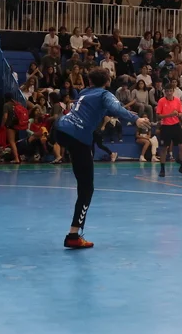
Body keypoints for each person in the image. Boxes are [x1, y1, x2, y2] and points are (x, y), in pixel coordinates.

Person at [53, 68, 149, 249]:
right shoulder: (105, 94)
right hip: (78, 136)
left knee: (81, 166)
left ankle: (74, 234)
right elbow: (116, 108)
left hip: (60, 128)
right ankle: (73, 235)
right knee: (86, 189)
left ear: (89, 81)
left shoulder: (84, 92)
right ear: (107, 82)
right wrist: (135, 119)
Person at [155, 84, 182, 178]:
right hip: (165, 126)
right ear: (165, 92)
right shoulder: (161, 101)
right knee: (164, 148)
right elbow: (158, 115)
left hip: (176, 125)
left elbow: (181, 113)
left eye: (170, 91)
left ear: (173, 91)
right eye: (167, 91)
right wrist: (169, 115)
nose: (169, 93)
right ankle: (162, 169)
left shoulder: (177, 100)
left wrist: (178, 114)